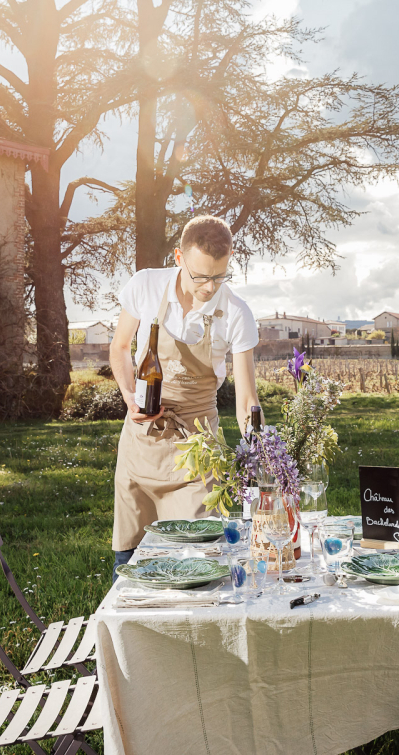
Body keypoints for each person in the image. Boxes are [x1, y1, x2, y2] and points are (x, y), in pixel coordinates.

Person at [109, 216, 261, 580]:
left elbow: (246, 403)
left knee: (198, 565)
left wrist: (261, 462)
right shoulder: (146, 285)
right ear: (179, 256)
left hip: (197, 452)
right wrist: (131, 397)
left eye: (219, 276)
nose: (209, 287)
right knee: (130, 563)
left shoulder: (237, 314)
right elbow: (119, 348)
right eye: (200, 276)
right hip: (141, 447)